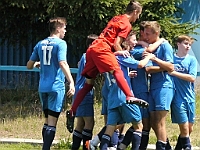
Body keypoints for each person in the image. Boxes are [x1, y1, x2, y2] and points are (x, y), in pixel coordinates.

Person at [66, 0, 148, 133]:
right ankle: (129, 96)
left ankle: (72, 110)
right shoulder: (127, 24)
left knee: (88, 84)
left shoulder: (117, 17)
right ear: (135, 12)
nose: (138, 18)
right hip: (102, 49)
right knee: (117, 71)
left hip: (92, 48)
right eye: (138, 15)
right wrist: (119, 50)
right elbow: (116, 43)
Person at [26, 17, 75, 150]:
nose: (65, 31)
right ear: (58, 28)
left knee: (47, 120)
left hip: (43, 87)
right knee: (52, 122)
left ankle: (45, 146)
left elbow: (29, 65)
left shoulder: (40, 43)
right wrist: (71, 82)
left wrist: (37, 63)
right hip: (56, 86)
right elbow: (62, 62)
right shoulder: (60, 43)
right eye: (64, 28)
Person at [120, 21, 166, 150]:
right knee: (143, 124)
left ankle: (121, 146)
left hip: (143, 89)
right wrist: (160, 41)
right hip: (139, 89)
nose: (147, 36)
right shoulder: (138, 51)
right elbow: (148, 57)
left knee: (141, 123)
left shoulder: (138, 48)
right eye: (145, 33)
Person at [144, 21, 175, 150]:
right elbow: (147, 68)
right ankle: (166, 146)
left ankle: (161, 147)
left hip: (164, 86)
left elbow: (170, 66)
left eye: (148, 34)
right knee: (153, 120)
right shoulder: (152, 46)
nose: (145, 36)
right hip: (153, 87)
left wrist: (155, 61)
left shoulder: (165, 46)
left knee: (160, 120)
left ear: (156, 33)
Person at [169, 35, 197, 150]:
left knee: (189, 128)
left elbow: (192, 78)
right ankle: (187, 147)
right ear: (178, 44)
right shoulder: (171, 59)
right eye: (186, 44)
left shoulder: (191, 60)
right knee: (184, 128)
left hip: (190, 98)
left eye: (189, 45)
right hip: (177, 98)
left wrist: (173, 73)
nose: (188, 47)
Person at [71, 34, 98, 150]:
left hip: (79, 90)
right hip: (85, 91)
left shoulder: (84, 56)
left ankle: (75, 147)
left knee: (80, 123)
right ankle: (86, 147)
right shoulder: (90, 55)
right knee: (89, 122)